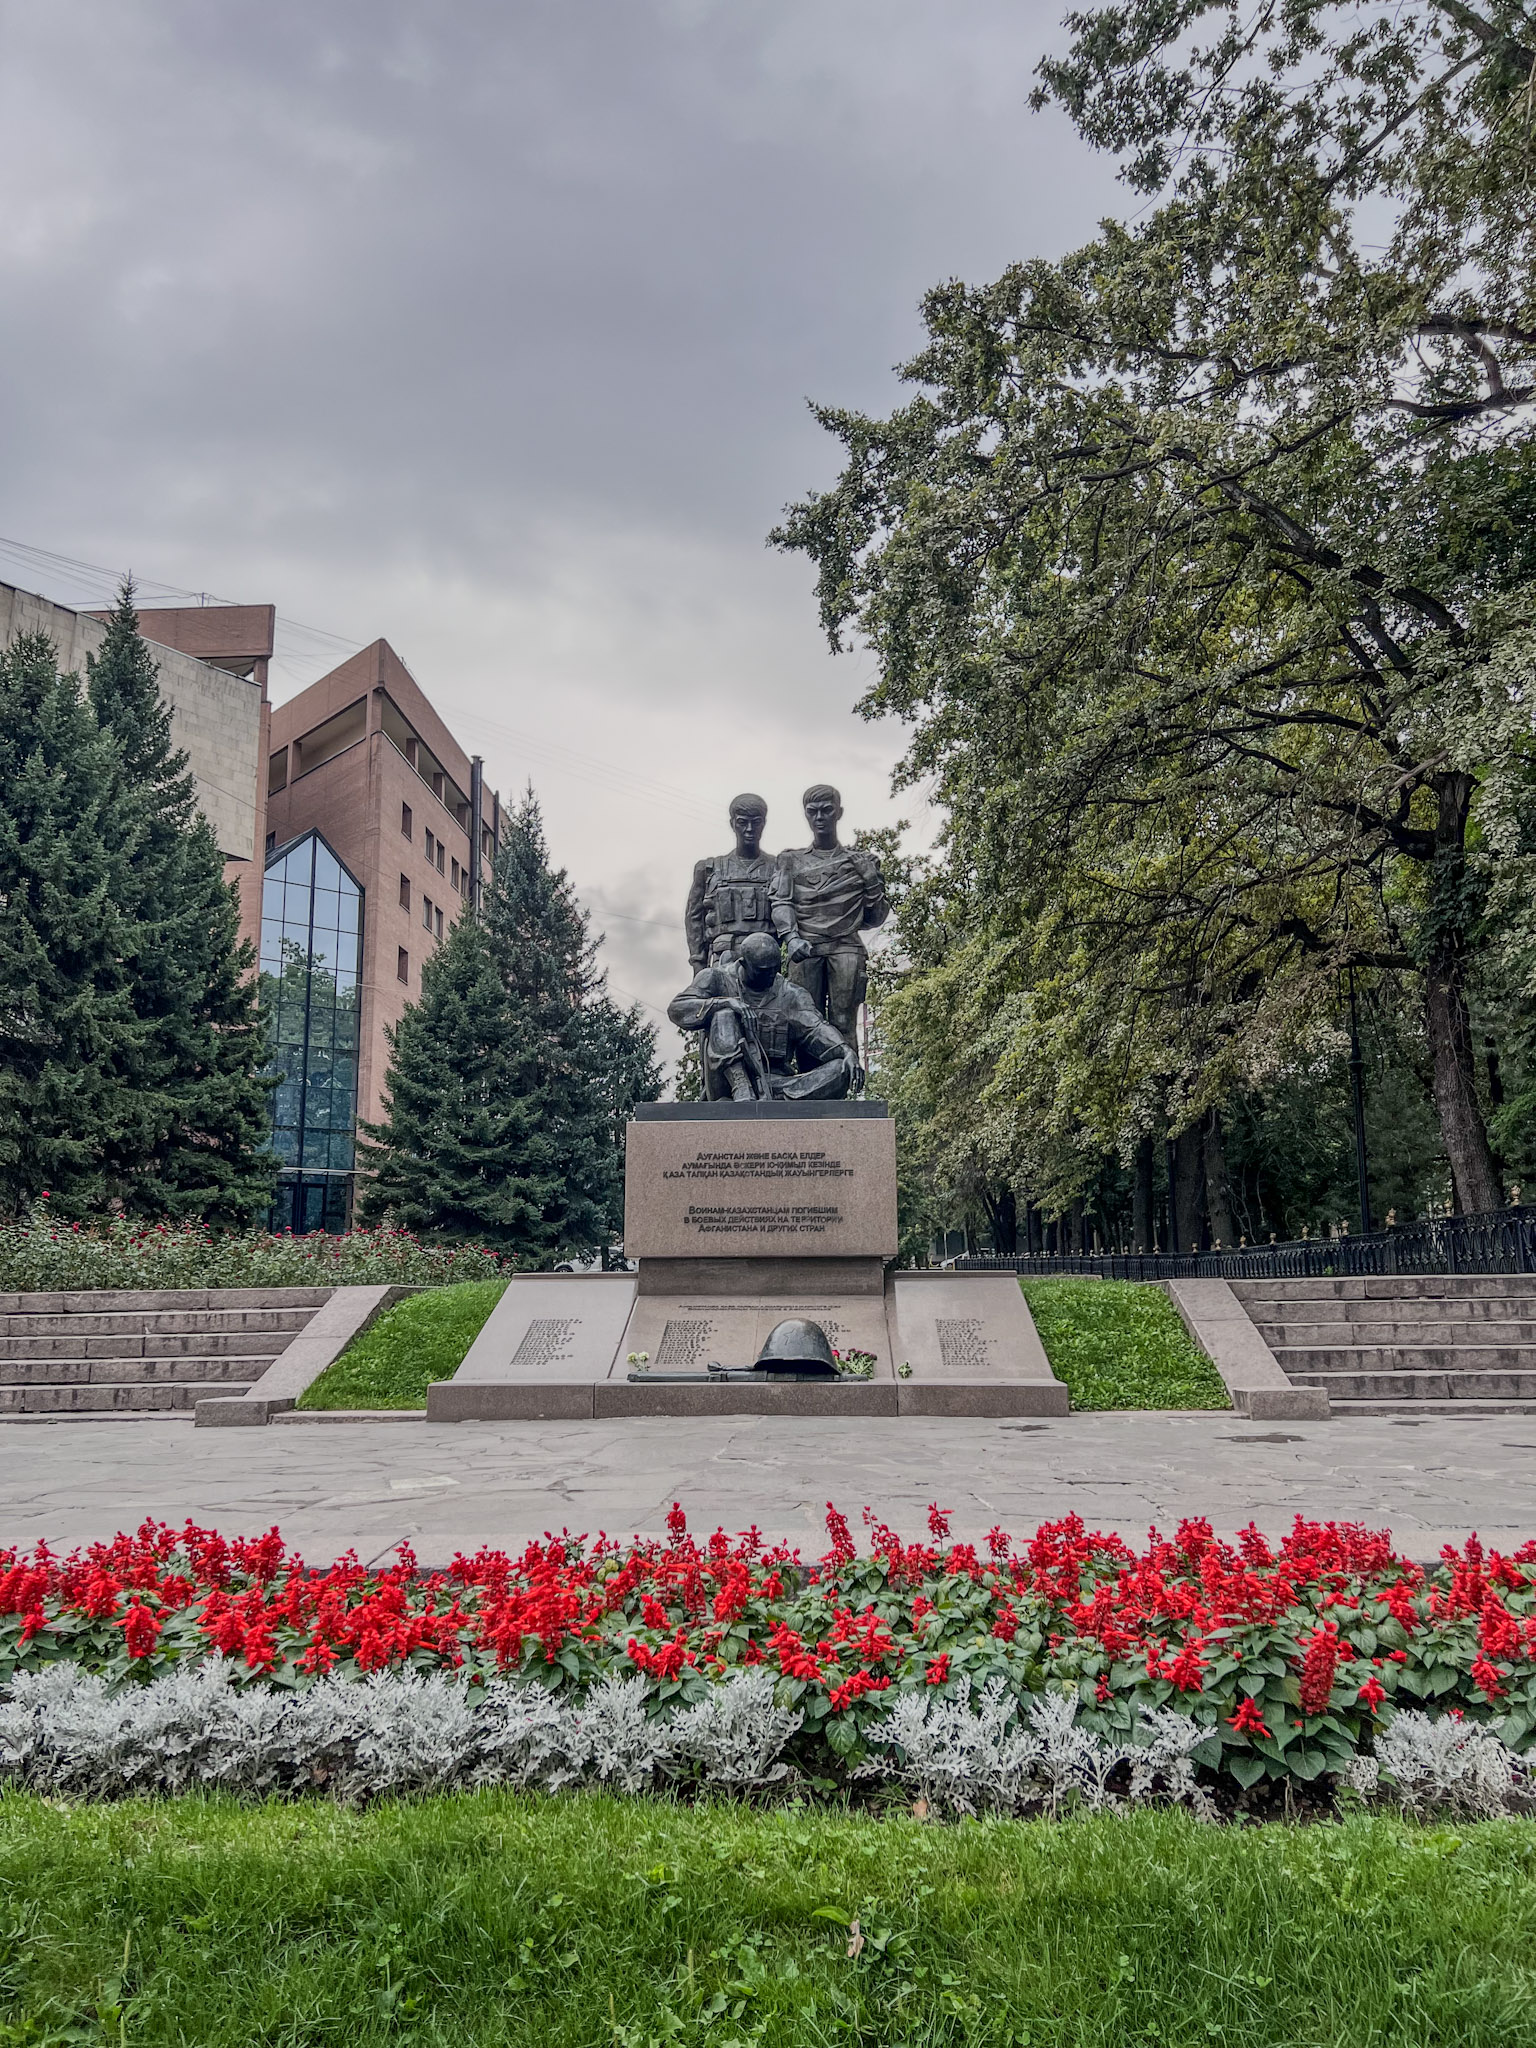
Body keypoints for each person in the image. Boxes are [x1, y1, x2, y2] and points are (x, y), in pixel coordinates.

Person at [668, 931, 854, 1101]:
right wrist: (723, 1002)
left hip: (774, 1082)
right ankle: (741, 1086)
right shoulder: (715, 978)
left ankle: (776, 1100)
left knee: (842, 1068)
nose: (771, 975)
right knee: (724, 1014)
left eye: (775, 969)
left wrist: (845, 1050)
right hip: (725, 1083)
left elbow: (816, 1028)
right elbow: (677, 1009)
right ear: (743, 964)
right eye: (763, 971)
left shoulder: (791, 994)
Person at [769, 784, 889, 1048]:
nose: (820, 817)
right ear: (806, 815)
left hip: (845, 947)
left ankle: (843, 1085)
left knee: (843, 1022)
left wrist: (870, 879)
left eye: (827, 810)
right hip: (805, 949)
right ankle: (809, 1086)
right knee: (802, 1021)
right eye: (813, 812)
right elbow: (780, 902)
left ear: (839, 812)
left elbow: (876, 917)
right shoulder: (790, 860)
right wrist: (791, 937)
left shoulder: (863, 861)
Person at [683, 793, 778, 970]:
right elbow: (694, 920)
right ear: (732, 823)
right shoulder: (708, 869)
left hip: (767, 963)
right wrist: (698, 963)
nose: (749, 829)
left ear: (763, 823)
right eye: (742, 822)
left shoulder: (778, 868)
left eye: (756, 822)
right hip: (723, 958)